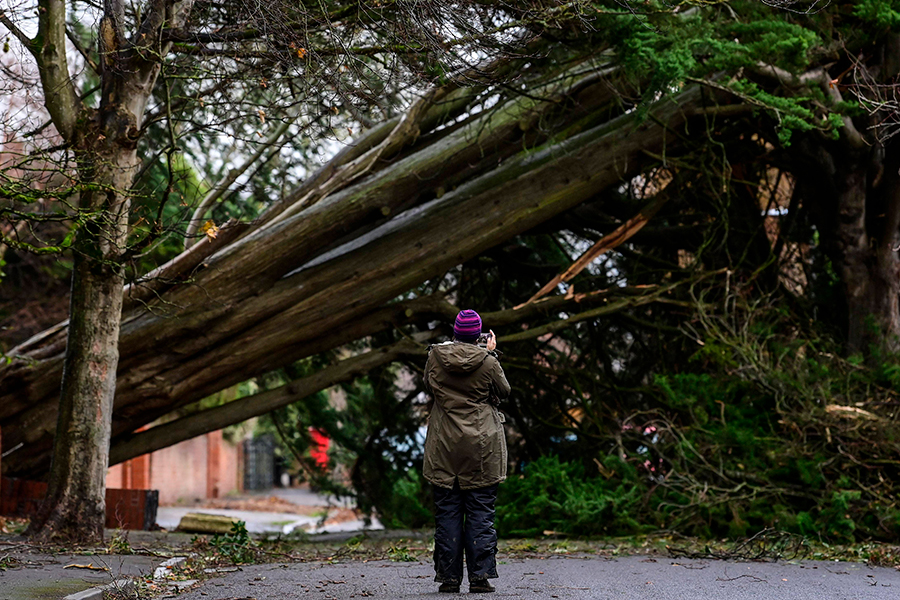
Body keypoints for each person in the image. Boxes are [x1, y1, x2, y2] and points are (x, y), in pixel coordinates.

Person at [423, 309, 511, 594]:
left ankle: (448, 578)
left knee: (447, 512)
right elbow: (504, 390)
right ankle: (479, 577)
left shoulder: (435, 357)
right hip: (482, 447)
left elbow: (429, 385)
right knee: (480, 511)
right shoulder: (487, 362)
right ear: (480, 336)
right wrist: (490, 354)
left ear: (455, 333)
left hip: (444, 444)